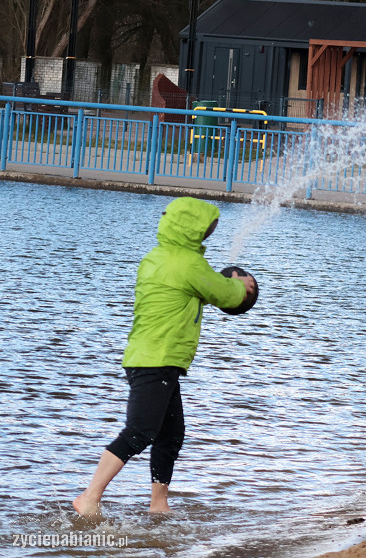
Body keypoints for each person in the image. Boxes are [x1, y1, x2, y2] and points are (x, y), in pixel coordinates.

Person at [73, 197, 256, 516]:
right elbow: (227, 294)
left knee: (171, 434)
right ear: (193, 230)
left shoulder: (155, 257)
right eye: (207, 228)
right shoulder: (188, 264)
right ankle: (89, 497)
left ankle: (159, 504)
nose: (209, 234)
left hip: (151, 356)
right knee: (140, 431)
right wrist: (244, 284)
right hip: (157, 357)